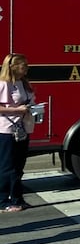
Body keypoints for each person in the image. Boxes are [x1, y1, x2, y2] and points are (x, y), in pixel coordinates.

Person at [0, 53, 34, 212]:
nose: (26, 68)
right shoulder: (4, 84)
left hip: (23, 128)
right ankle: (2, 200)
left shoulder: (23, 83)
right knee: (8, 166)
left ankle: (17, 198)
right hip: (7, 128)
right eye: (23, 65)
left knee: (19, 166)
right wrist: (16, 109)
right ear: (13, 67)